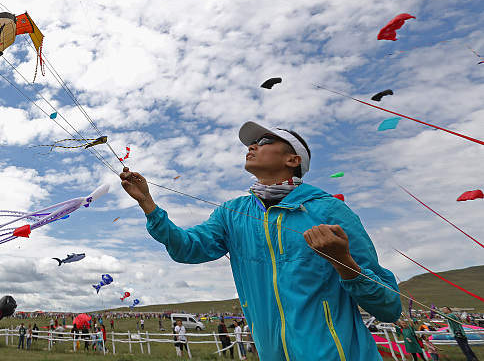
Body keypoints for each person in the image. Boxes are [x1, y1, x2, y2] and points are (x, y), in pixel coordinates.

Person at [119, 121, 401, 361]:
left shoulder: (330, 211)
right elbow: (186, 248)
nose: (251, 146)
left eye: (263, 141)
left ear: (293, 160)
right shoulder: (232, 213)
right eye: (251, 143)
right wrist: (148, 204)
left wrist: (344, 263)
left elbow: (389, 307)